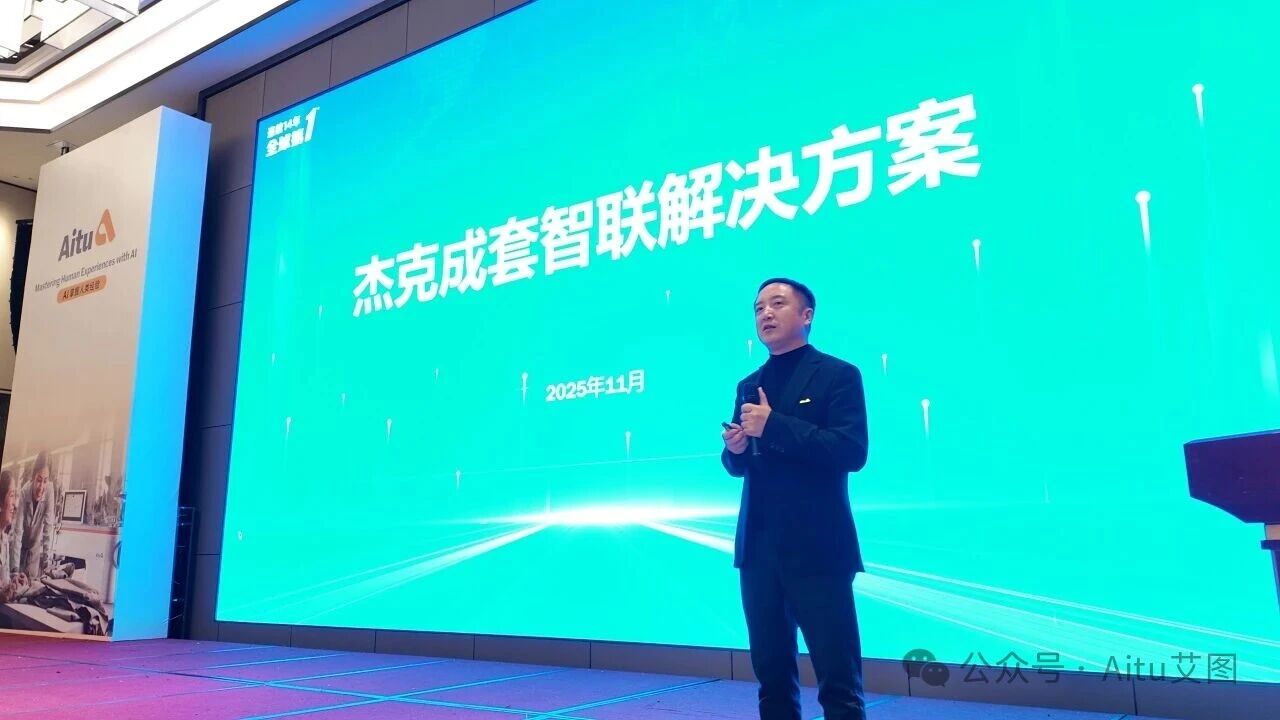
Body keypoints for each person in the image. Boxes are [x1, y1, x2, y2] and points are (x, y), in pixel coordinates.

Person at [721, 278, 870, 720]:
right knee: (771, 679)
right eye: (758, 307)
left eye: (777, 303)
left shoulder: (838, 375)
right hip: (758, 550)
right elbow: (741, 466)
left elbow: (851, 451)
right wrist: (735, 450)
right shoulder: (749, 384)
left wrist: (774, 425)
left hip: (819, 548)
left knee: (838, 682)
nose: (765, 313)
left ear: (807, 315)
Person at [16, 452, 57, 580]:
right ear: (33, 477)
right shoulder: (24, 492)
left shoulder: (49, 490)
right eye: (39, 480)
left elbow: (48, 529)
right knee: (15, 583)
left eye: (45, 481)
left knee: (32, 585)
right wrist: (14, 570)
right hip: (19, 548)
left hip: (34, 551)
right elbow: (18, 532)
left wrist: (46, 562)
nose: (42, 486)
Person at [1, 470, 29, 602]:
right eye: (11, 495)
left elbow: (3, 582)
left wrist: (14, 581)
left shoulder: (4, 539)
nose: (15, 505)